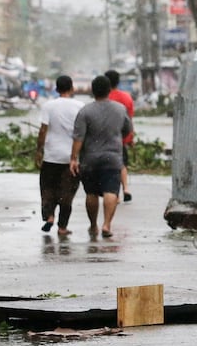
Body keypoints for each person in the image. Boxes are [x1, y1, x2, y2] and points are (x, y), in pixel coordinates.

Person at [70, 74, 133, 240]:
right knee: (111, 191)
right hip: (113, 158)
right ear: (109, 90)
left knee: (91, 193)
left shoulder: (85, 111)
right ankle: (107, 224)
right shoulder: (120, 109)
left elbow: (78, 138)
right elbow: (127, 130)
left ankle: (93, 225)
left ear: (93, 91)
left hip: (89, 159)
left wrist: (73, 158)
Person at [34, 75, 85, 237]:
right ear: (71, 88)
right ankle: (62, 227)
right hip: (71, 158)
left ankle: (49, 217)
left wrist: (39, 149)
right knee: (67, 193)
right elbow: (83, 132)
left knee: (47, 189)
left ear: (56, 89)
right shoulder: (80, 106)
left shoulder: (48, 106)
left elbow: (43, 130)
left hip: (51, 155)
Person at [105, 69, 135, 203]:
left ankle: (114, 193)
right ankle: (126, 188)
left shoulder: (104, 97)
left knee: (110, 166)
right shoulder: (127, 97)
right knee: (122, 163)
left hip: (106, 137)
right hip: (121, 136)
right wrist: (130, 138)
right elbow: (129, 119)